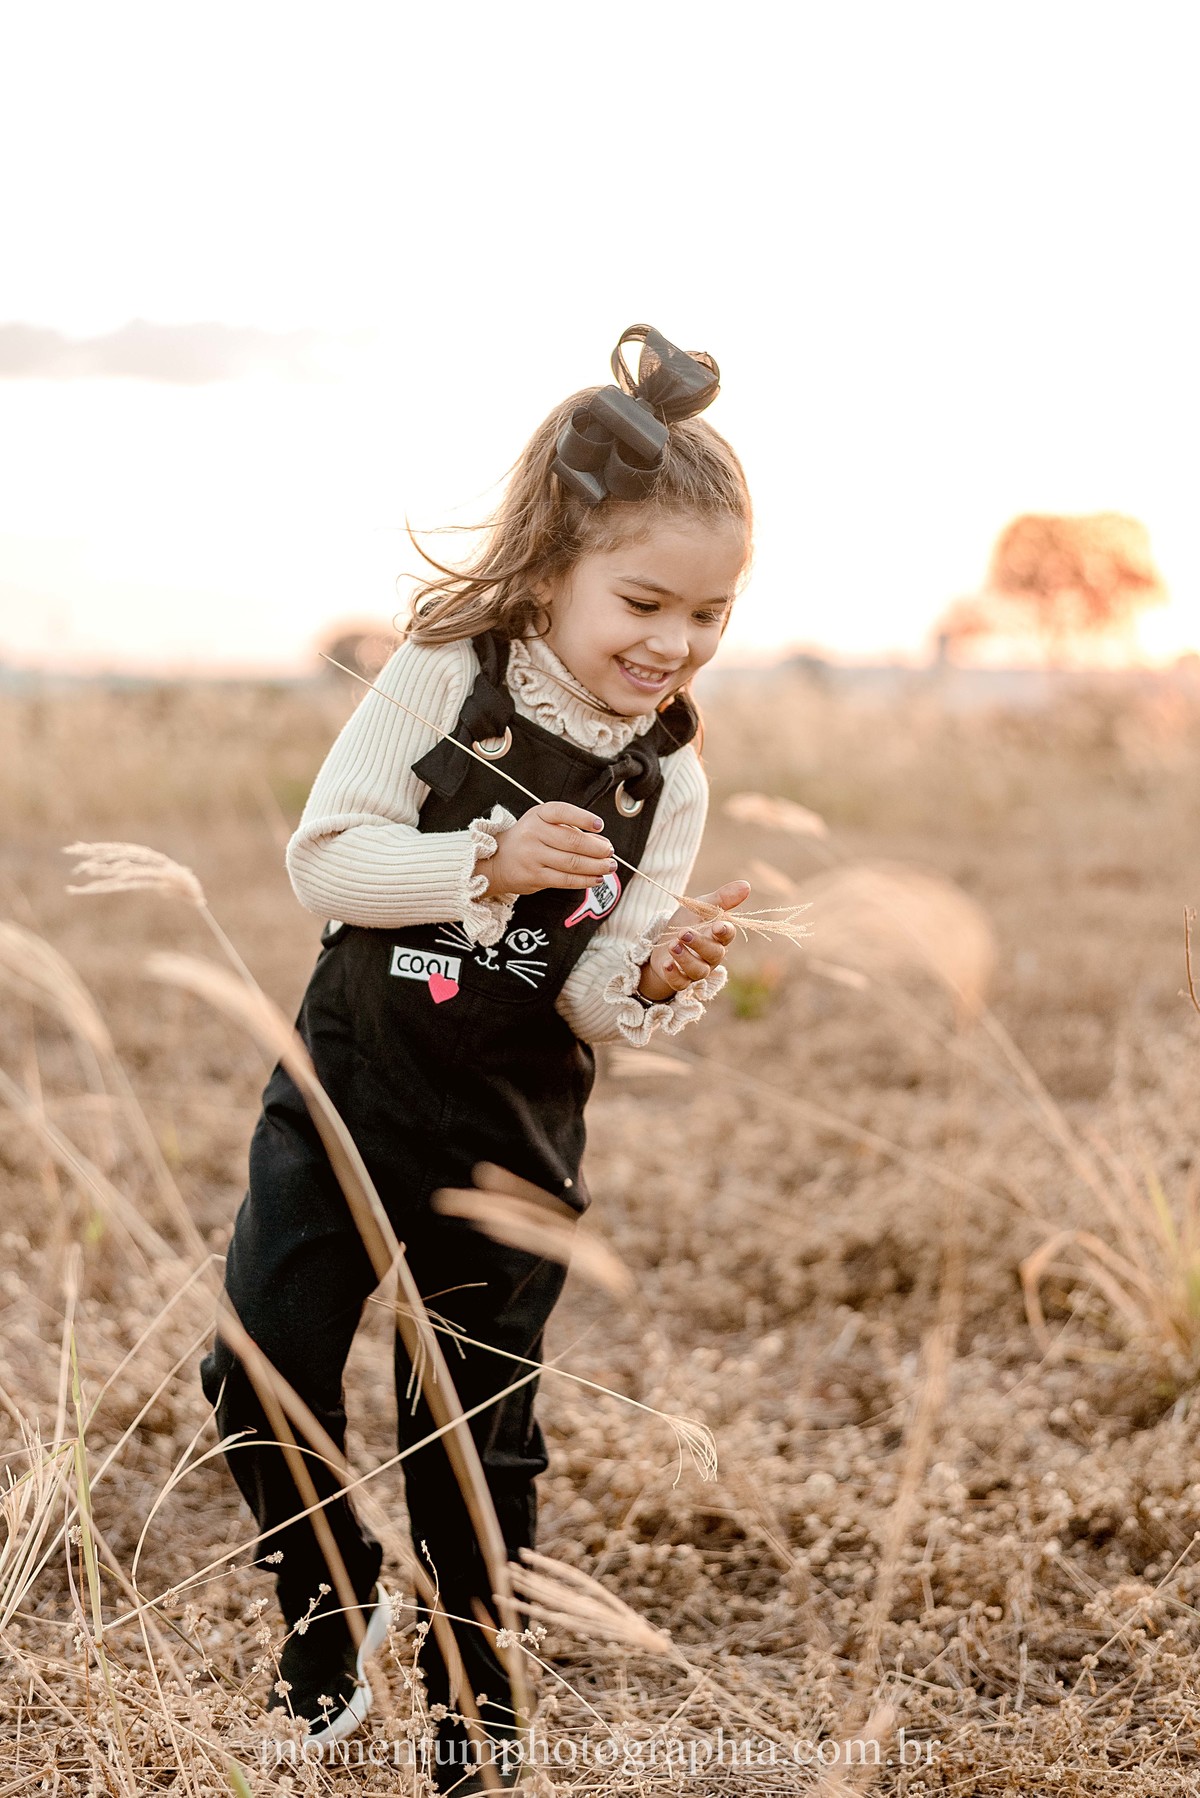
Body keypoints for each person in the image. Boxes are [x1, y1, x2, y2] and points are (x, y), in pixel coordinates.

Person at [199, 324, 753, 1792]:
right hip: (348, 1088)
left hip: (511, 1130)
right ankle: (328, 1609)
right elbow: (327, 860)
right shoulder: (450, 671)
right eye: (644, 601)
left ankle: (475, 1727)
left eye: (710, 612)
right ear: (557, 564)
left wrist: (653, 972)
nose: (675, 643)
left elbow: (592, 993)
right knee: (260, 1365)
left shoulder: (667, 776)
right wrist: (485, 861)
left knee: (469, 1436)